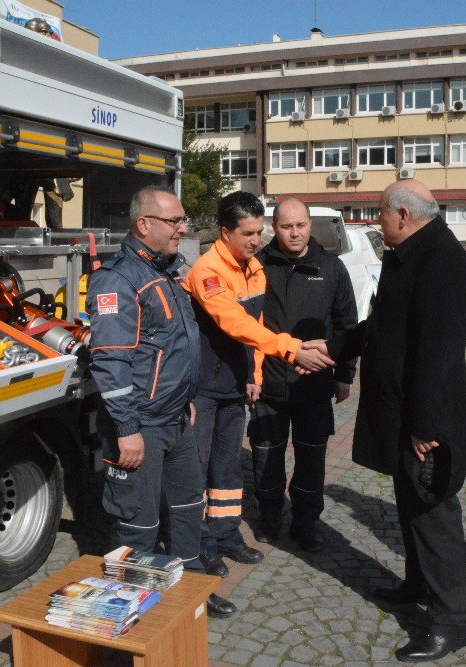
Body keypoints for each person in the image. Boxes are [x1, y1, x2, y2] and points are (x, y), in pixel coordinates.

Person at [85, 185, 234, 618]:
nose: (183, 229)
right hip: (141, 426)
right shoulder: (118, 279)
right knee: (139, 524)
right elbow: (111, 365)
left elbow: (172, 348)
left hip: (176, 417)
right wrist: (128, 430)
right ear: (144, 224)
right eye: (174, 221)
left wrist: (185, 396)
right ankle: (129, 609)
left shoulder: (167, 271)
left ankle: (190, 596)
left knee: (188, 509)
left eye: (183, 220)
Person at [350, 179, 466, 662]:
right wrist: (336, 346)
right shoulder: (409, 253)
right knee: (408, 502)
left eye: (379, 213)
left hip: (428, 421)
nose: (376, 222)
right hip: (402, 413)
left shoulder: (439, 259)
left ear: (402, 215)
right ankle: (417, 583)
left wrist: (426, 425)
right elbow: (386, 325)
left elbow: (439, 352)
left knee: (433, 514)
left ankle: (449, 623)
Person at [187, 191, 333, 581]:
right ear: (225, 232)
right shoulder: (208, 271)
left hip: (233, 385)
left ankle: (226, 534)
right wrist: (290, 350)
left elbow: (256, 330)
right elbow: (235, 323)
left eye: (259, 232)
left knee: (228, 469)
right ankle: (199, 545)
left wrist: (254, 374)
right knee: (198, 472)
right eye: (248, 234)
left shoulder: (253, 268)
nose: (256, 241)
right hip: (203, 387)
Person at [249, 197, 358, 552]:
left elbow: (347, 325)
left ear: (310, 226)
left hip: (314, 386)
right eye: (285, 226)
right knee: (266, 459)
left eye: (300, 225)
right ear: (273, 227)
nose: (294, 233)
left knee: (311, 461)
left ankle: (306, 521)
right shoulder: (257, 266)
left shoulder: (331, 268)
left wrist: (345, 375)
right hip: (268, 386)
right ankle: (269, 517)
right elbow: (244, 328)